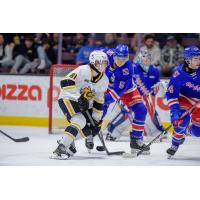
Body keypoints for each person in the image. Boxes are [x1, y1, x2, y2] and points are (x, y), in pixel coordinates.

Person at [51, 50, 109, 160]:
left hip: (84, 103)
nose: (103, 65)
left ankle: (68, 142)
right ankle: (60, 148)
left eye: (105, 63)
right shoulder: (83, 70)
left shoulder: (104, 80)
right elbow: (65, 82)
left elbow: (99, 100)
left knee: (91, 129)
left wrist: (97, 119)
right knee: (79, 120)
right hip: (68, 98)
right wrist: (79, 97)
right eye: (100, 62)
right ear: (93, 62)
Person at [105, 50, 165, 141]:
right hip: (130, 96)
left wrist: (158, 86)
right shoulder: (132, 68)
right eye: (145, 59)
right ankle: (112, 132)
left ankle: (157, 132)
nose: (147, 61)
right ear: (139, 60)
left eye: (149, 59)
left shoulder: (154, 70)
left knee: (150, 111)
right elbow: (123, 84)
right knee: (127, 114)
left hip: (144, 98)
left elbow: (156, 84)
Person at [102, 44, 150, 155]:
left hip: (125, 90)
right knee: (99, 112)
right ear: (114, 55)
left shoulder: (128, 69)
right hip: (105, 86)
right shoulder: (106, 54)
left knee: (141, 110)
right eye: (118, 58)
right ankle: (90, 131)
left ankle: (136, 141)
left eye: (123, 59)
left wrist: (100, 100)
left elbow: (115, 95)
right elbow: (95, 54)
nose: (120, 61)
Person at [166, 45, 200, 157]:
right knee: (181, 122)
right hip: (184, 98)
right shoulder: (178, 74)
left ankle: (188, 131)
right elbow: (172, 96)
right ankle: (175, 144)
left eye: (199, 58)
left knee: (197, 132)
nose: (199, 61)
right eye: (196, 59)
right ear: (188, 60)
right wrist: (174, 114)